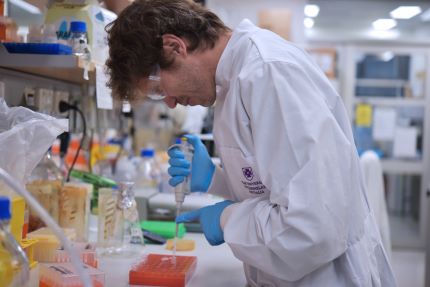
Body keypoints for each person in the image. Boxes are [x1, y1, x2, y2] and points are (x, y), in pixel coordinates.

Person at [105, 1, 397, 286]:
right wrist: (216, 179)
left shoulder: (267, 73)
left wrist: (226, 219)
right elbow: (278, 185)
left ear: (175, 47)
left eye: (159, 89)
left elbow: (311, 227)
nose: (169, 103)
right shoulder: (232, 80)